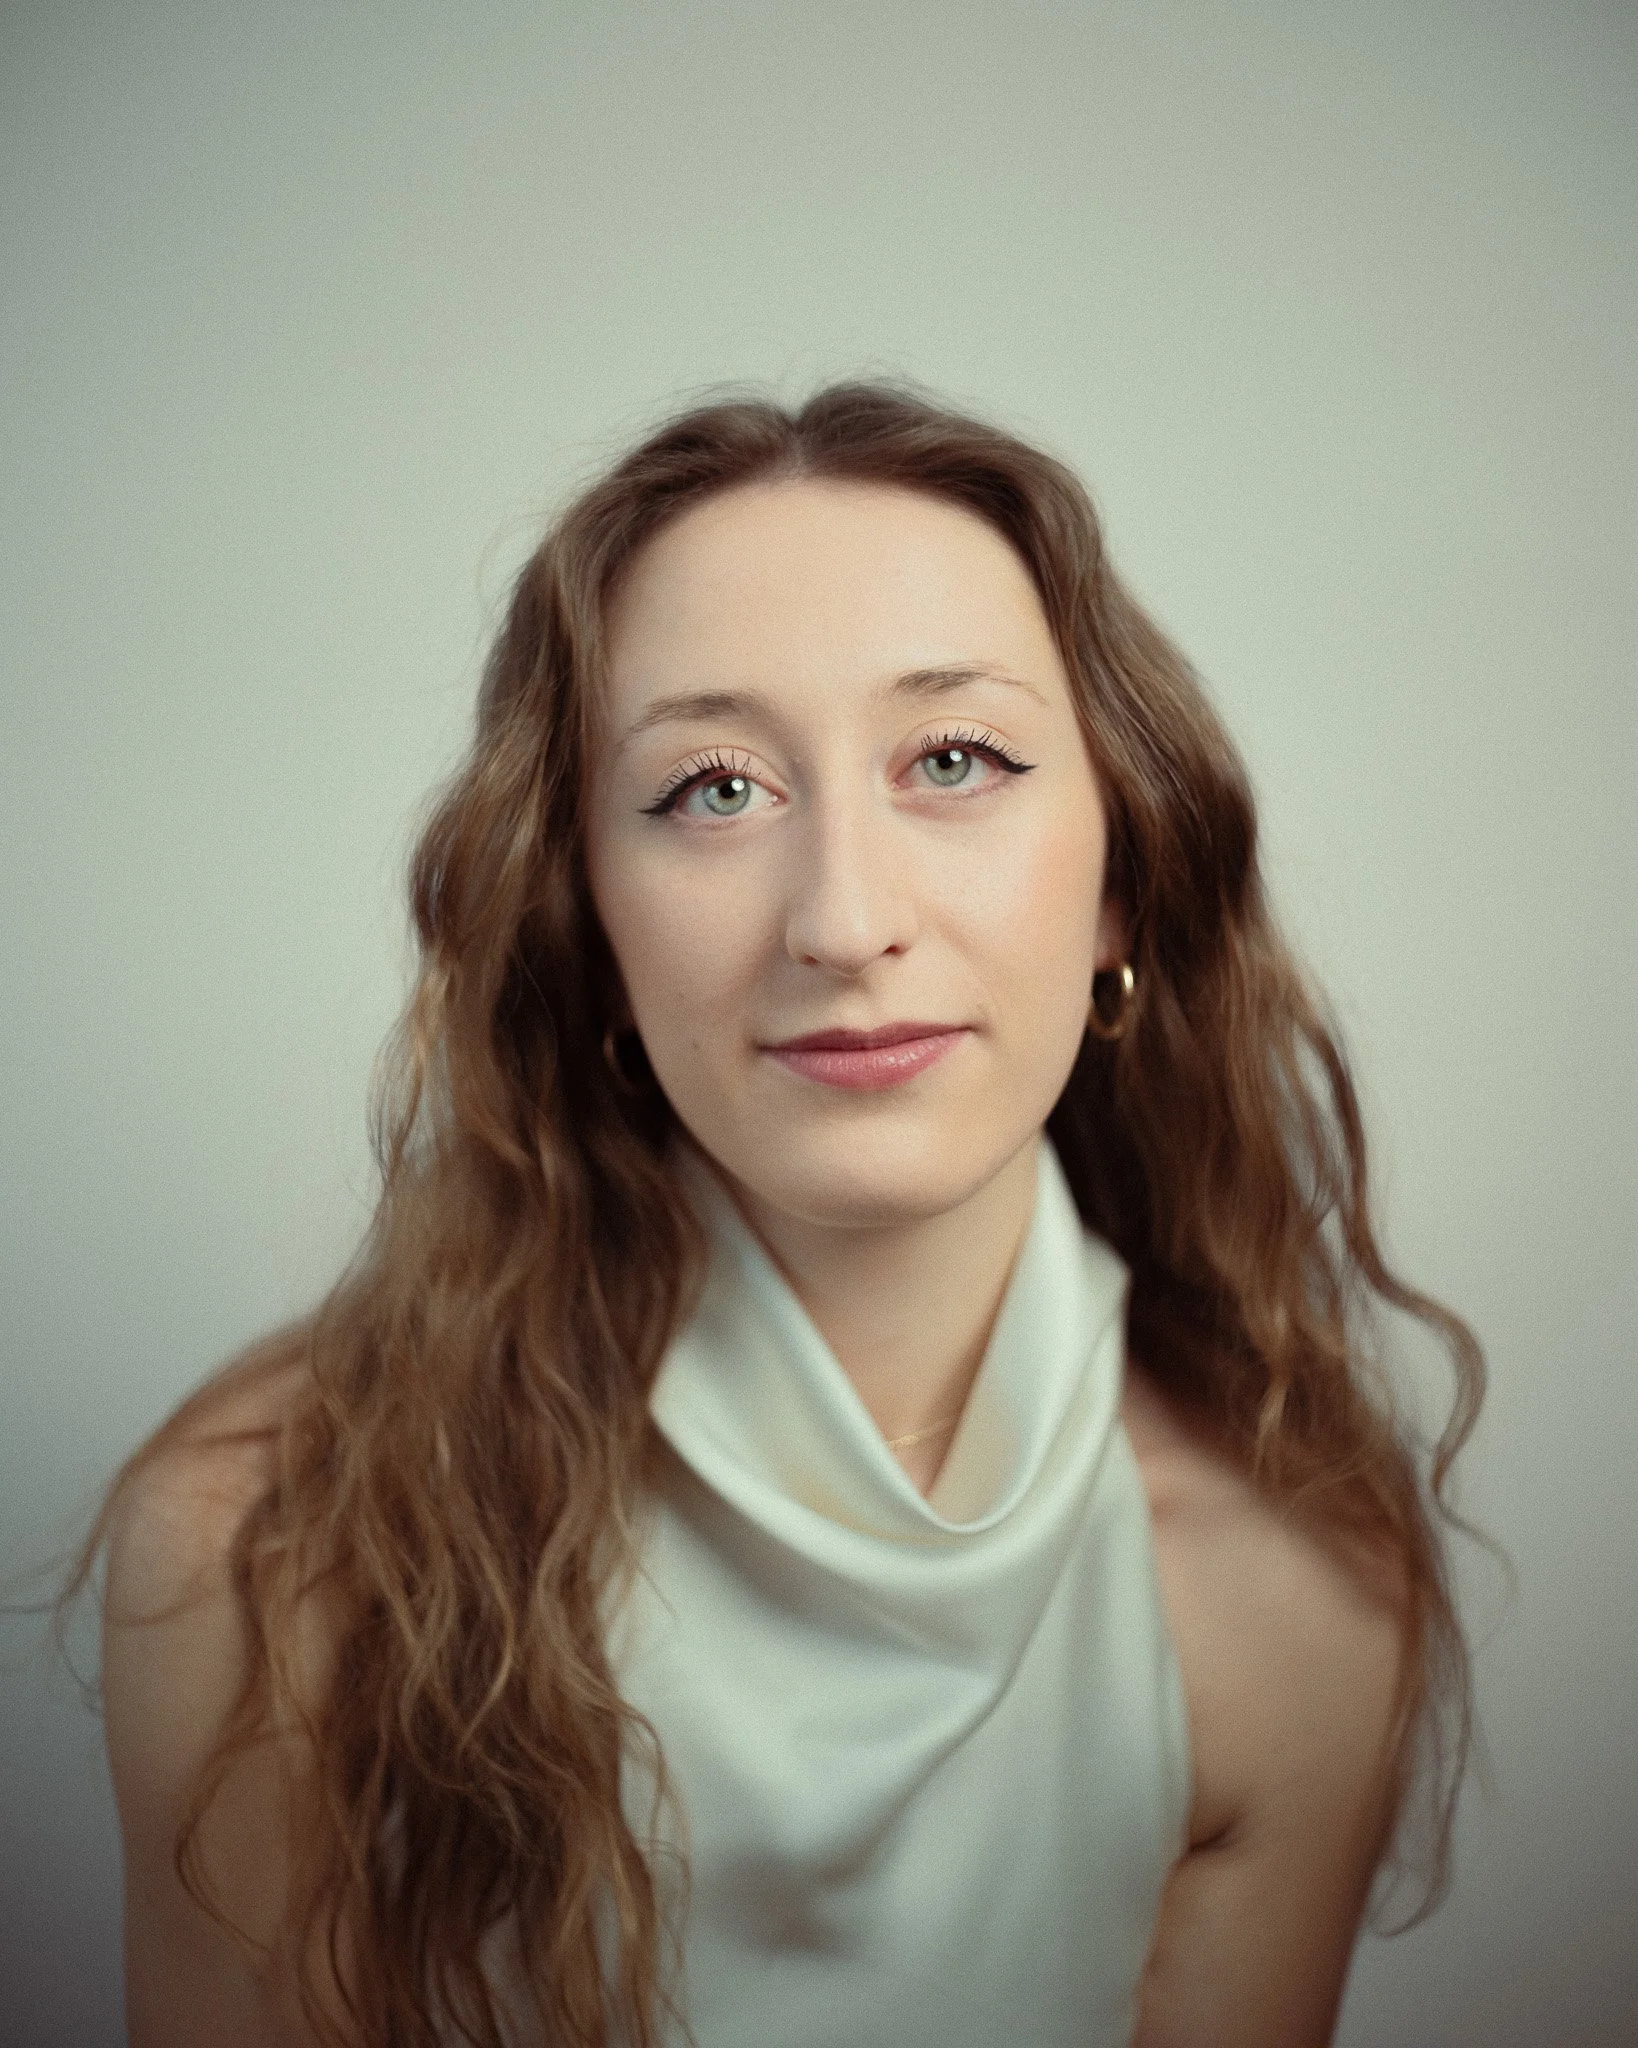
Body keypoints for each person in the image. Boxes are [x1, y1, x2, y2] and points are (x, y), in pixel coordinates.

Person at [80, 383, 1482, 2048]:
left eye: (953, 759)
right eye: (712, 791)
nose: (842, 918)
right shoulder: (267, 1545)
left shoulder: (1287, 1596)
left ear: (1121, 878)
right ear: (586, 924)